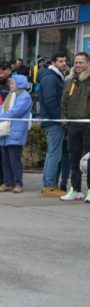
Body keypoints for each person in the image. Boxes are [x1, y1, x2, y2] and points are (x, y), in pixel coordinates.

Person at [0, 75, 31, 193]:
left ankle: (18, 184)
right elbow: (2, 109)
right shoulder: (10, 95)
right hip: (5, 132)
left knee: (15, 160)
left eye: (13, 83)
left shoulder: (25, 96)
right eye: (10, 83)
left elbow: (15, 112)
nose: (10, 85)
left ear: (19, 84)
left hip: (16, 132)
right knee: (5, 161)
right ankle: (7, 183)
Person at [60, 51, 90, 202]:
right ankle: (76, 190)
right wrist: (65, 123)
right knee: (74, 159)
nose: (78, 65)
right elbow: (63, 104)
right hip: (72, 127)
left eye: (81, 62)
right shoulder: (69, 81)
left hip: (88, 126)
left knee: (89, 160)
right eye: (76, 62)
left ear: (88, 63)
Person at [38, 52, 69, 197]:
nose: (64, 63)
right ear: (53, 63)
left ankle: (49, 185)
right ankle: (49, 186)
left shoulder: (55, 77)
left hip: (53, 122)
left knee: (52, 155)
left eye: (65, 61)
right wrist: (61, 121)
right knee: (54, 156)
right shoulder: (50, 78)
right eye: (61, 61)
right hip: (54, 123)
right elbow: (51, 102)